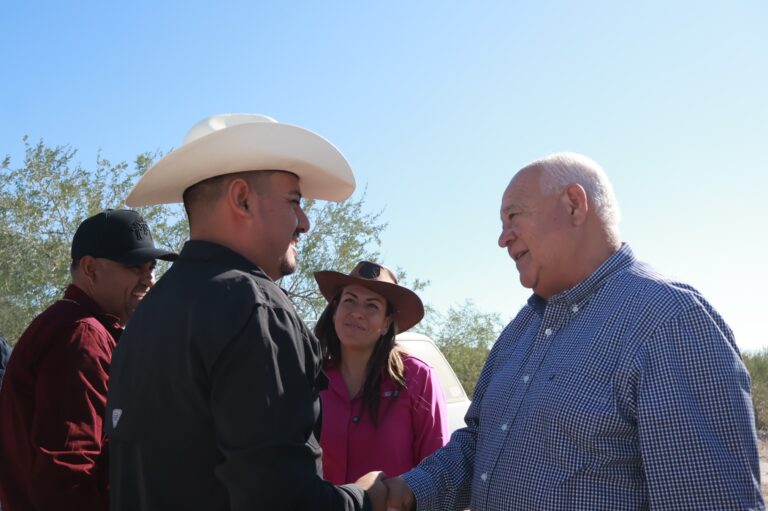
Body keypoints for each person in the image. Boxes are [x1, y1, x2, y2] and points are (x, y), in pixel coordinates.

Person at [385, 152, 763, 510]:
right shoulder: (519, 331)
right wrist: (406, 491)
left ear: (573, 205)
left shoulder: (668, 321)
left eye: (513, 216)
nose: (503, 238)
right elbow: (478, 445)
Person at [106, 113, 387, 511]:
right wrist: (366, 499)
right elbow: (286, 502)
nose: (304, 223)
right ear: (242, 199)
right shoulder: (257, 309)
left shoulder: (149, 311)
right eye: (294, 201)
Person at [0, 209, 177, 511]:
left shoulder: (75, 325)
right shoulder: (81, 335)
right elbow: (69, 468)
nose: (149, 280)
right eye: (134, 266)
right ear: (90, 268)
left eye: (151, 267)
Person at [314, 261, 448, 484]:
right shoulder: (311, 377)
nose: (357, 313)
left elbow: (436, 471)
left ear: (387, 323)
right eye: (350, 300)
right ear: (335, 310)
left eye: (372, 305)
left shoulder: (418, 378)